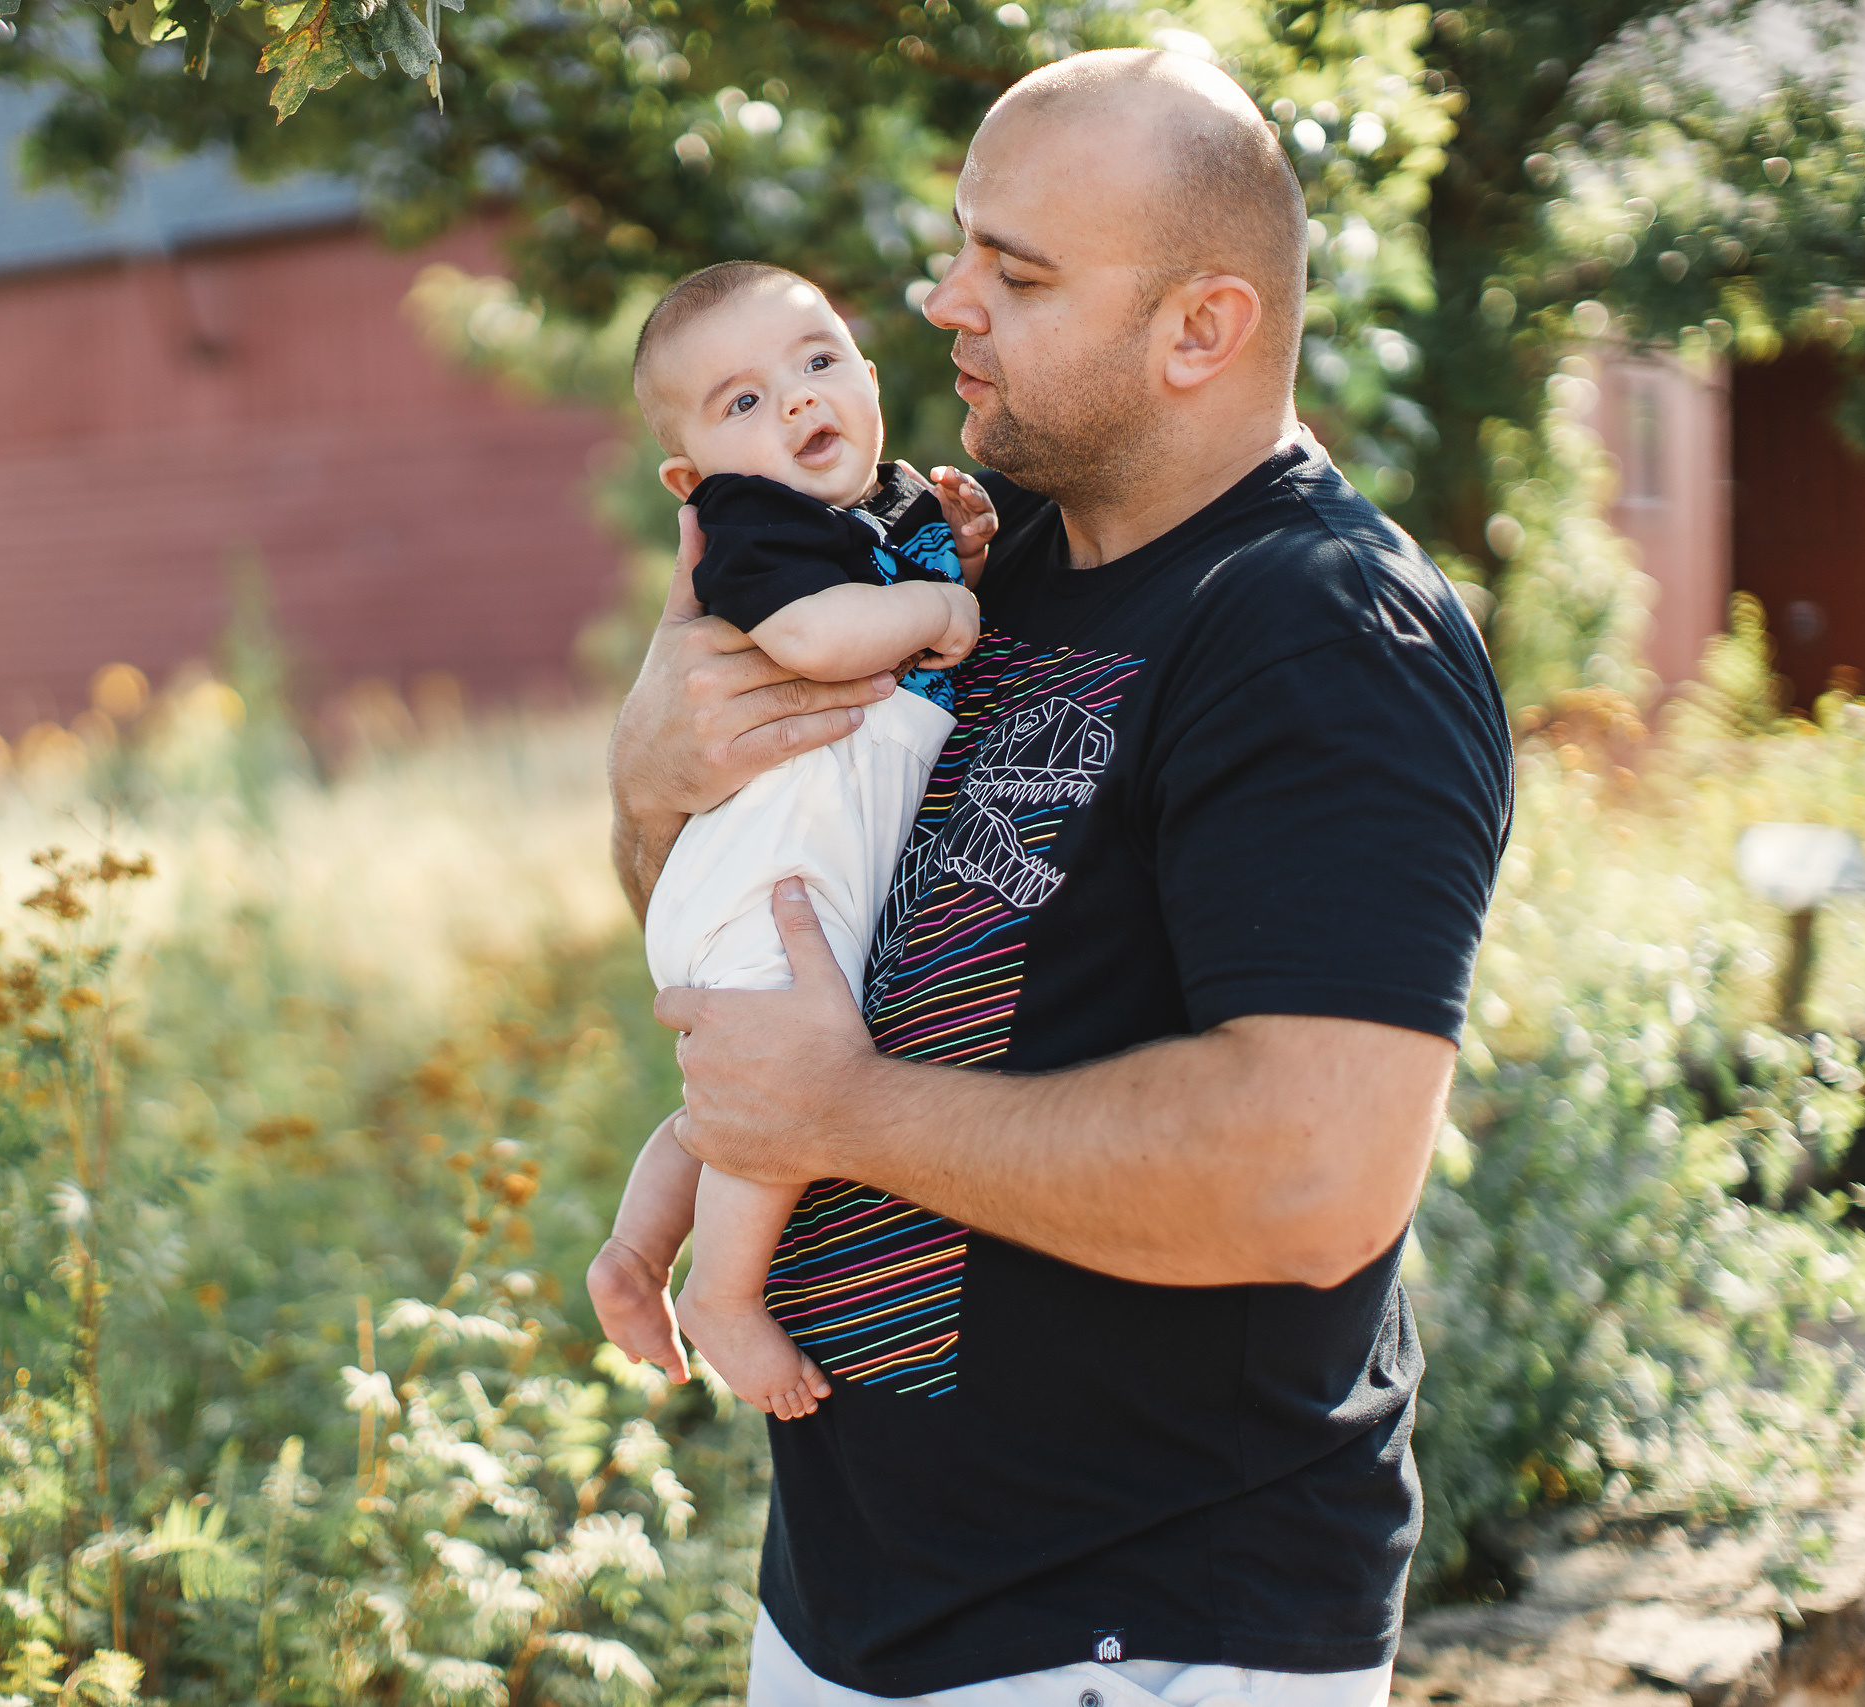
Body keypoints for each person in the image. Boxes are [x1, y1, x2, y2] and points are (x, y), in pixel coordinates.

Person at [603, 47, 1514, 1707]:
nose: (947, 300)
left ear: (1200, 330)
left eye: (1015, 273)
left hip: (1139, 1637)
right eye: (961, 245)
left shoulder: (1322, 632)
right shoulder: (962, 552)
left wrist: (841, 1114)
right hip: (854, 1605)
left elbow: (1313, 1177)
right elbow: (742, 930)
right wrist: (653, 776)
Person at [587, 260, 1000, 1421]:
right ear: (691, 476)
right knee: (770, 1108)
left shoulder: (877, 510)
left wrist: (954, 557)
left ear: (868, 376)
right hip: (769, 873)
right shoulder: (752, 523)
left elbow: (890, 587)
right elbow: (822, 635)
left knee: (722, 1104)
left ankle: (633, 1250)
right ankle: (722, 1293)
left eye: (816, 364)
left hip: (787, 865)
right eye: (743, 403)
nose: (798, 403)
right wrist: (939, 608)